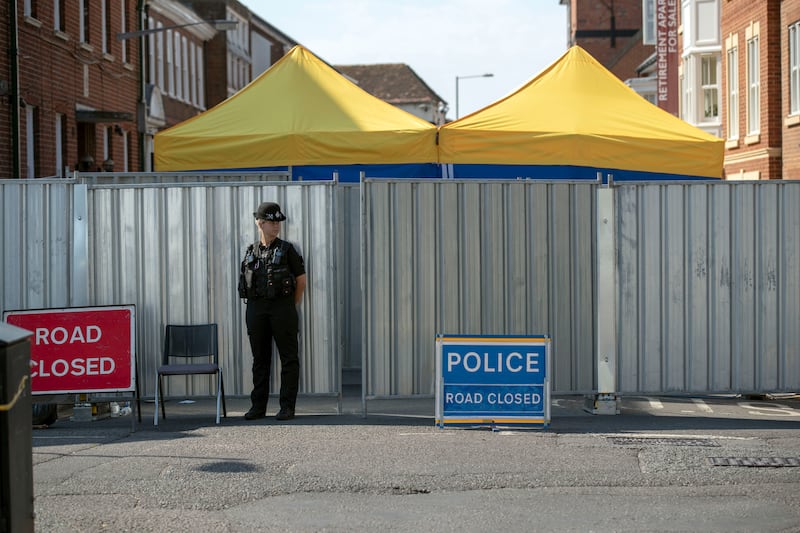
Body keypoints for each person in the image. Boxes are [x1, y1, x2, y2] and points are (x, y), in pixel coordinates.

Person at [238, 202, 306, 421]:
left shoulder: (287, 250)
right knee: (260, 360)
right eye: (272, 222)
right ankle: (258, 407)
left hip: (282, 308)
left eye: (278, 222)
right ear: (260, 223)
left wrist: (290, 306)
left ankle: (287, 407)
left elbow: (301, 280)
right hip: (256, 309)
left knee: (289, 359)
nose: (276, 226)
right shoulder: (251, 251)